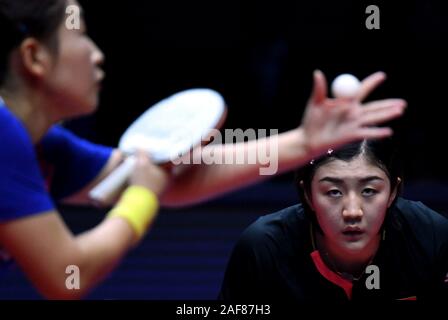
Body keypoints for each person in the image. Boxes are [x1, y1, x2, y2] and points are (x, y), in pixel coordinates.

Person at [0, 0, 406, 299]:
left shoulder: (42, 145)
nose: (97, 54)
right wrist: (143, 195)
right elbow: (67, 274)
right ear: (34, 56)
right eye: (80, 34)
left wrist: (303, 142)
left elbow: (174, 179)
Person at [219, 138, 448, 302]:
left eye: (369, 190)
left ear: (392, 192)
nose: (352, 211)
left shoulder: (432, 235)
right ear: (308, 195)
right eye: (334, 192)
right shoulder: (263, 246)